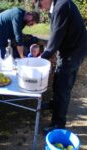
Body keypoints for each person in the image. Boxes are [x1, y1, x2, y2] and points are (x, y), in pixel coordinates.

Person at [33, 0, 87, 133]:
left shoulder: (61, 6)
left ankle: (58, 124)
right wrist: (45, 50)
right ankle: (54, 105)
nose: (40, 8)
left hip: (73, 51)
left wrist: (40, 60)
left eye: (39, 4)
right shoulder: (59, 5)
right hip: (73, 48)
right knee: (59, 80)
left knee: (63, 86)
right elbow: (56, 34)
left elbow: (55, 39)